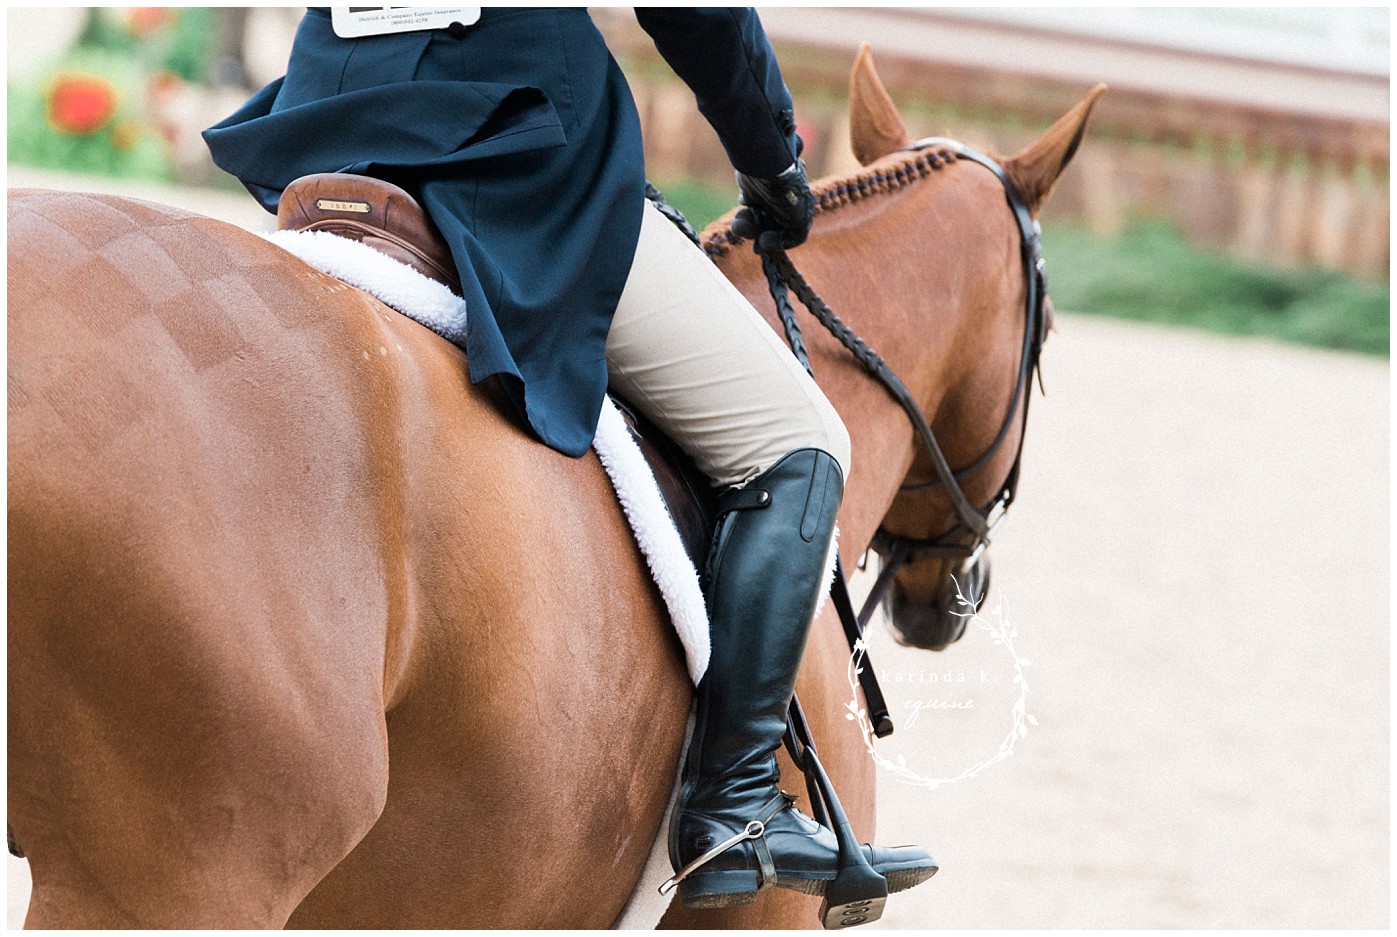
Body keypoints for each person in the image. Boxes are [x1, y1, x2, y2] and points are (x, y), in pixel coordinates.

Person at [204, 6, 935, 909]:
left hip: (327, 128)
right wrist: (771, 157)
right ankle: (735, 804)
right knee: (797, 438)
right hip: (513, 144)